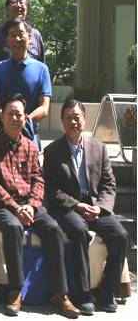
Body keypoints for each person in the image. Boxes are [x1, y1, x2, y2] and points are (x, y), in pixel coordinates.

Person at [0, 95, 79, 318]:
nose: (15, 118)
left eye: (19, 115)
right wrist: (16, 208)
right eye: (10, 114)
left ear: (25, 118)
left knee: (53, 229)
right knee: (13, 227)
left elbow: (38, 180)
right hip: (2, 206)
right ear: (1, 116)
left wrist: (32, 206)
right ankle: (16, 290)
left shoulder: (30, 146)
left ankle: (60, 294)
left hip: (30, 205)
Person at [44, 100, 129, 314]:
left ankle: (107, 292)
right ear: (62, 122)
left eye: (77, 117)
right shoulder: (53, 151)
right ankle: (83, 294)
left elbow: (109, 184)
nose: (73, 122)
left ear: (84, 119)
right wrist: (77, 205)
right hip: (69, 208)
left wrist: (100, 207)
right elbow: (52, 190)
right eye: (68, 118)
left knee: (120, 235)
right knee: (78, 230)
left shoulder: (99, 148)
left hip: (96, 207)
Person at [0, 19, 52, 149]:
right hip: (3, 136)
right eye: (13, 35)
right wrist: (8, 121)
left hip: (30, 135)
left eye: (21, 34)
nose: (17, 39)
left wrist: (23, 120)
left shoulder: (42, 69)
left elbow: (44, 107)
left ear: (29, 37)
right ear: (7, 41)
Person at [0, 0, 45, 70]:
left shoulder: (35, 35)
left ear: (27, 9)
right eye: (14, 2)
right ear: (6, 9)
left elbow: (41, 65)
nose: (18, 5)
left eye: (21, 2)